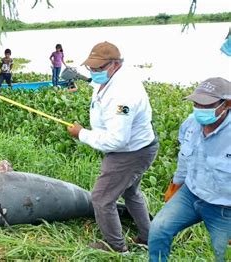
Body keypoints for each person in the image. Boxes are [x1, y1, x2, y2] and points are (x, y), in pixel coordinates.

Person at [67, 41, 158, 253]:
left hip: (130, 153)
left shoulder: (124, 93)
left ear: (115, 64)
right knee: (131, 192)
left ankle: (116, 247)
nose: (95, 72)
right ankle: (148, 237)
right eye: (91, 68)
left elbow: (118, 140)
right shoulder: (109, 79)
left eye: (99, 68)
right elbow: (98, 87)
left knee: (101, 198)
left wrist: (82, 133)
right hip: (137, 147)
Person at [148, 77, 231, 262]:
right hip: (190, 193)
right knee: (159, 228)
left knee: (222, 255)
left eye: (206, 105)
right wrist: (176, 184)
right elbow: (185, 158)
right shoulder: (190, 123)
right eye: (196, 103)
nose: (200, 110)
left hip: (224, 207)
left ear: (226, 105)